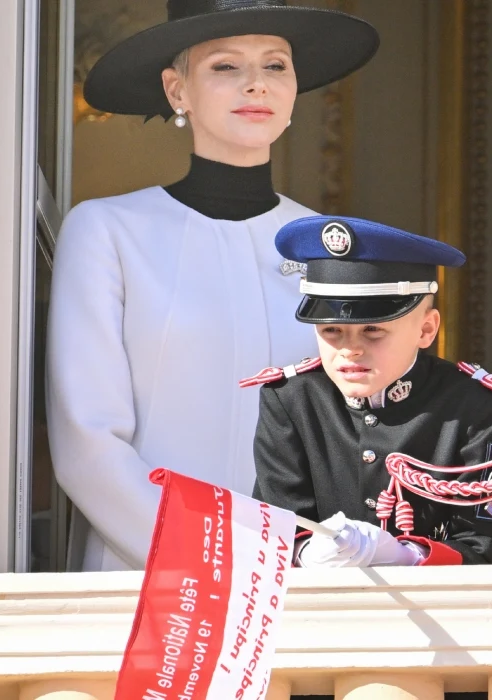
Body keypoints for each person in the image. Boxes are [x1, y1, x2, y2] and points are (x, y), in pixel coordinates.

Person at [46, 0, 379, 571]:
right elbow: (88, 442)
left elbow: (360, 433)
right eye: (226, 67)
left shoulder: (331, 248)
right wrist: (209, 561)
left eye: (275, 66)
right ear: (178, 91)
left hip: (304, 587)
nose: (256, 84)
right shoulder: (108, 232)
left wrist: (322, 556)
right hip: (149, 582)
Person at [244, 216, 492, 567]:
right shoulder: (291, 399)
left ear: (426, 329)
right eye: (332, 330)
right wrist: (306, 553)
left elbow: (486, 542)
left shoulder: (473, 407)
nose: (350, 349)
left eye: (373, 331)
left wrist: (411, 557)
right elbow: (277, 526)